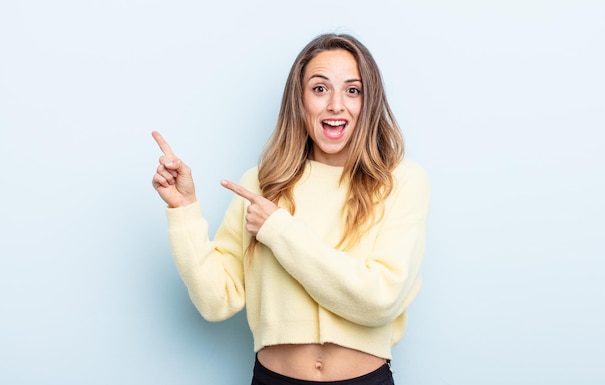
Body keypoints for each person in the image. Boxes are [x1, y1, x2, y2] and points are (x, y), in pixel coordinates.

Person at [152, 33, 429, 385]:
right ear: (300, 100)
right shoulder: (259, 184)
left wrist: (279, 230)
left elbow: (379, 300)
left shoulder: (401, 181)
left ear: (369, 101)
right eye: (319, 89)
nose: (336, 105)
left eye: (352, 90)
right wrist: (185, 210)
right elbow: (215, 301)